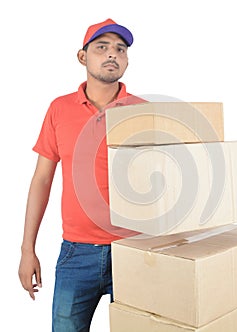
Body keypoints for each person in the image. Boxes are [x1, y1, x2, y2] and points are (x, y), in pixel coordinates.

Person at [18, 18, 144, 331]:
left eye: (120, 49)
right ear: (82, 56)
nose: (112, 54)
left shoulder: (144, 110)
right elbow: (42, 180)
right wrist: (27, 250)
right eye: (102, 47)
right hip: (77, 252)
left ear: (127, 60)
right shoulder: (59, 109)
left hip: (136, 251)